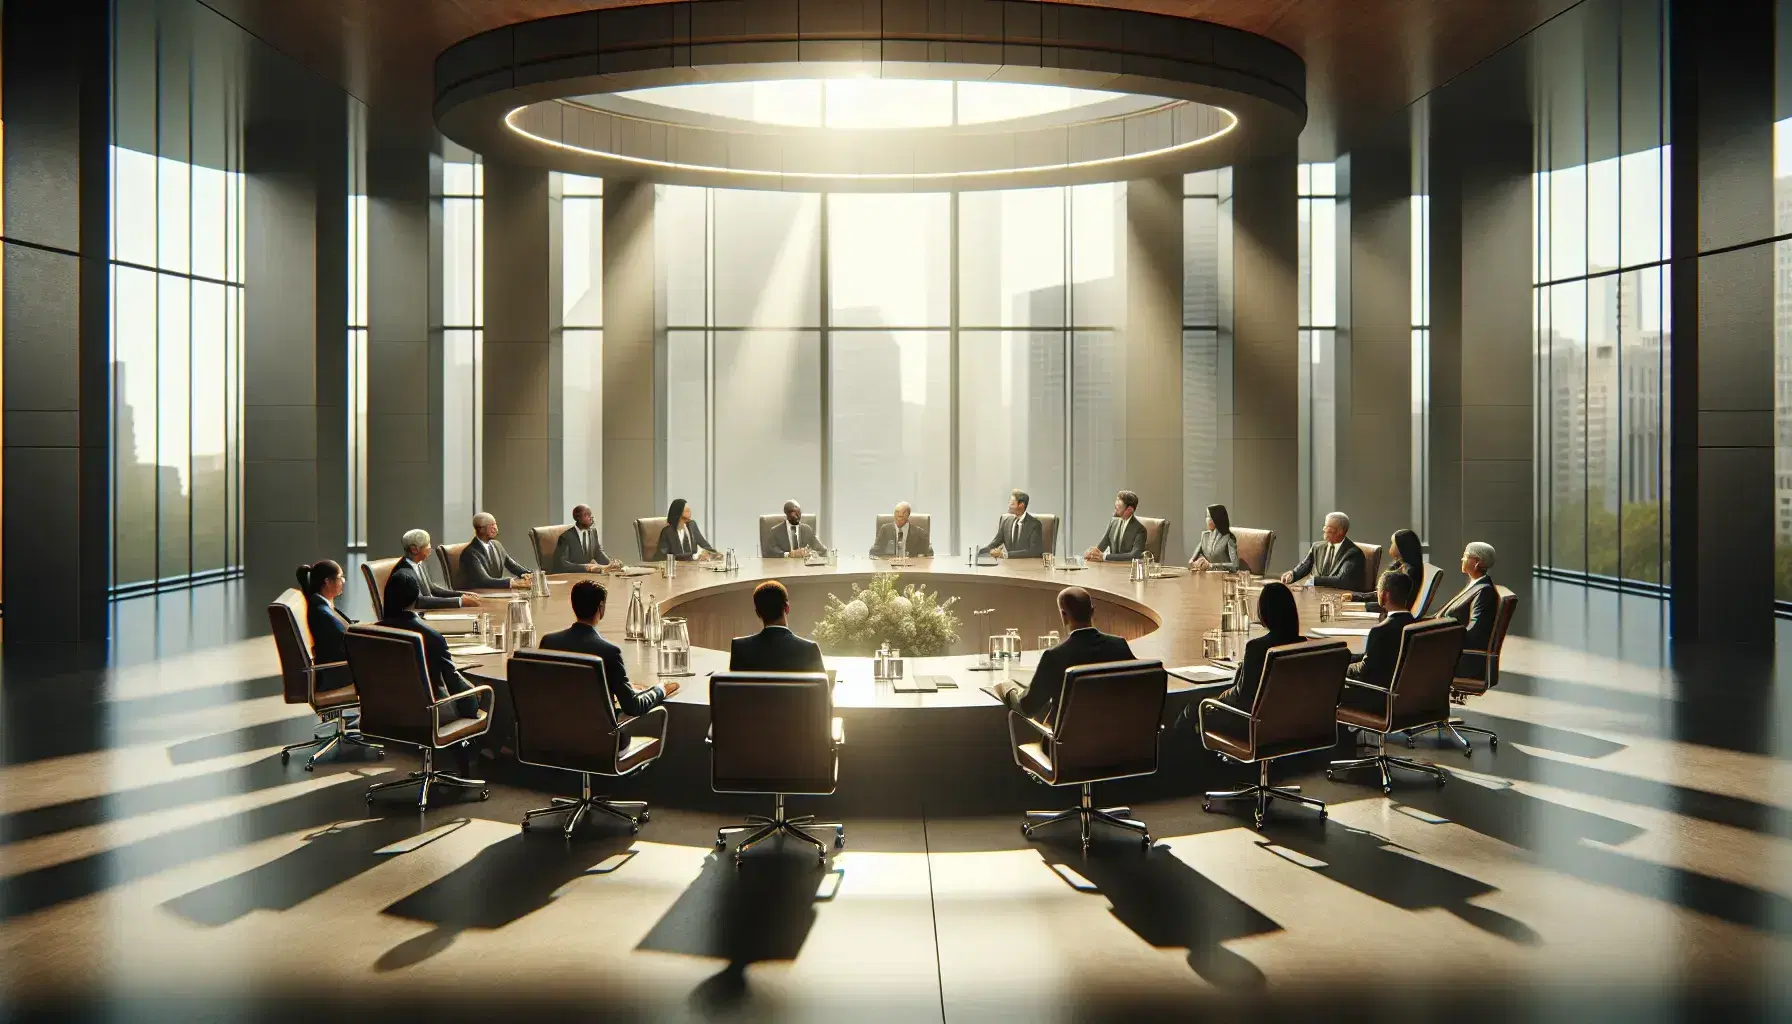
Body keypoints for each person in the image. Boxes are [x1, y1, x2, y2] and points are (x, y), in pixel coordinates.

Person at [992, 587, 1134, 721]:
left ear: (1064, 615)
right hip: (1117, 739)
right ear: (1092, 611)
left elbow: (1027, 708)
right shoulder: (1119, 646)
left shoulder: (1055, 656)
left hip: (1068, 745)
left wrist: (1008, 688)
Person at [539, 580, 680, 715]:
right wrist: (661, 689)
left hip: (554, 729)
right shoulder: (609, 651)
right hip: (599, 735)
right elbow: (634, 706)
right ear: (601, 607)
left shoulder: (549, 642)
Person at [379, 567, 484, 721]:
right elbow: (454, 683)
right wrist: (476, 700)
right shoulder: (430, 638)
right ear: (415, 598)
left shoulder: (368, 633)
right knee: (483, 695)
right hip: (427, 715)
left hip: (383, 713)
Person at [1217, 582, 1305, 712]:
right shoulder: (1305, 646)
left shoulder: (1257, 649)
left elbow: (1242, 698)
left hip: (1250, 723)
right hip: (1292, 720)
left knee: (1192, 710)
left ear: (1264, 613)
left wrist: (1220, 698)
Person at [729, 580, 826, 673]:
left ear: (758, 613)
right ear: (787, 608)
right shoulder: (809, 650)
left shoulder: (740, 648)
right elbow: (821, 689)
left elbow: (733, 689)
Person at [1435, 541, 1500, 680]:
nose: (1462, 559)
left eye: (1465, 555)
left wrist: (1437, 639)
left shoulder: (1484, 591)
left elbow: (1474, 631)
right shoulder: (1474, 584)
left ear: (1477, 562)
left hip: (1459, 660)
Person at [1345, 570, 1418, 690]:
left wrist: (1342, 668)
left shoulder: (1380, 631)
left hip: (1378, 696)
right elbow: (1377, 657)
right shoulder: (1415, 626)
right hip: (1405, 695)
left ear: (1384, 595)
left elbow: (1364, 670)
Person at [388, 529, 481, 613]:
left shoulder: (420, 563)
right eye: (427, 546)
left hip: (427, 612)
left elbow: (433, 589)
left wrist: (461, 595)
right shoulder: (404, 573)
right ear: (414, 550)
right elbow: (419, 601)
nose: (430, 549)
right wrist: (459, 601)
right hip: (408, 620)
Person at [296, 561, 354, 681]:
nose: (343, 581)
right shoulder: (322, 612)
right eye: (340, 577)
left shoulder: (320, 605)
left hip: (337, 669)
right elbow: (344, 642)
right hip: (337, 676)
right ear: (327, 581)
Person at [1281, 511, 1367, 592]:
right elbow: (1305, 565)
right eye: (1325, 526)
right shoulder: (1317, 547)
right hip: (1316, 594)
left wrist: (1313, 580)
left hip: (1340, 598)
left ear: (1341, 531)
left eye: (1329, 528)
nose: (1325, 530)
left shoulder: (1353, 553)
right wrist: (1293, 574)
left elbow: (1342, 580)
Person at [1348, 528, 1424, 608]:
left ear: (1402, 546)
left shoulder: (1410, 573)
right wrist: (1356, 597)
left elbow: (1393, 603)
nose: (1390, 546)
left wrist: (1359, 606)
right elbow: (1382, 593)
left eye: (1393, 543)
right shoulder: (1399, 565)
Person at [459, 512, 533, 590]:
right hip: (480, 595)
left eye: (495, 524)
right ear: (480, 529)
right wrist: (511, 582)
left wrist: (527, 574)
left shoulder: (497, 545)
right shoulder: (470, 553)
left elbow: (512, 566)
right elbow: (484, 580)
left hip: (497, 592)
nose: (495, 528)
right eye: (491, 526)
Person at [979, 489, 1046, 559]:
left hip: (1026, 566)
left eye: (1012, 503)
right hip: (1008, 566)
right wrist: (980, 552)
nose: (1009, 505)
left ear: (1021, 505)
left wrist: (1005, 554)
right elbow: (994, 544)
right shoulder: (1006, 522)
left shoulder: (1035, 524)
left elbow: (1034, 551)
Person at [1085, 490, 1147, 563]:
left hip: (1126, 570)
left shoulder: (1140, 530)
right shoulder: (1113, 522)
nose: (1115, 510)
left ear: (1129, 510)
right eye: (1115, 507)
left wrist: (1105, 556)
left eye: (1118, 508)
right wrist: (1092, 553)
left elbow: (1134, 555)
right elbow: (1101, 547)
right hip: (1110, 569)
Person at [552, 504, 615, 573]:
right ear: (578, 518)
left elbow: (598, 552)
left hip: (590, 576)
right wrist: (586, 567)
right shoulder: (566, 537)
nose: (591, 518)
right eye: (587, 515)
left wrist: (611, 564)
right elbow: (561, 564)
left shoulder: (593, 532)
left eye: (590, 515)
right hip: (573, 577)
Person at [1188, 503, 1239, 571]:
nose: (1206, 519)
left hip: (1223, 578)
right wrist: (1195, 563)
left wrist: (1211, 566)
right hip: (1207, 577)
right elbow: (1192, 560)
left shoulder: (1228, 538)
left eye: (1208, 517)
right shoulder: (1205, 536)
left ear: (1216, 519)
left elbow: (1235, 565)